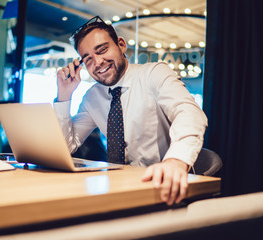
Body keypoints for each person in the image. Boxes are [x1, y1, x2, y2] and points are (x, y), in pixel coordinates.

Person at [54, 16, 208, 205]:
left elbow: (189, 113)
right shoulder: (92, 96)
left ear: (121, 45)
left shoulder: (154, 74)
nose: (98, 62)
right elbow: (65, 147)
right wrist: (64, 96)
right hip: (116, 188)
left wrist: (176, 161)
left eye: (102, 50)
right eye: (88, 59)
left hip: (162, 188)